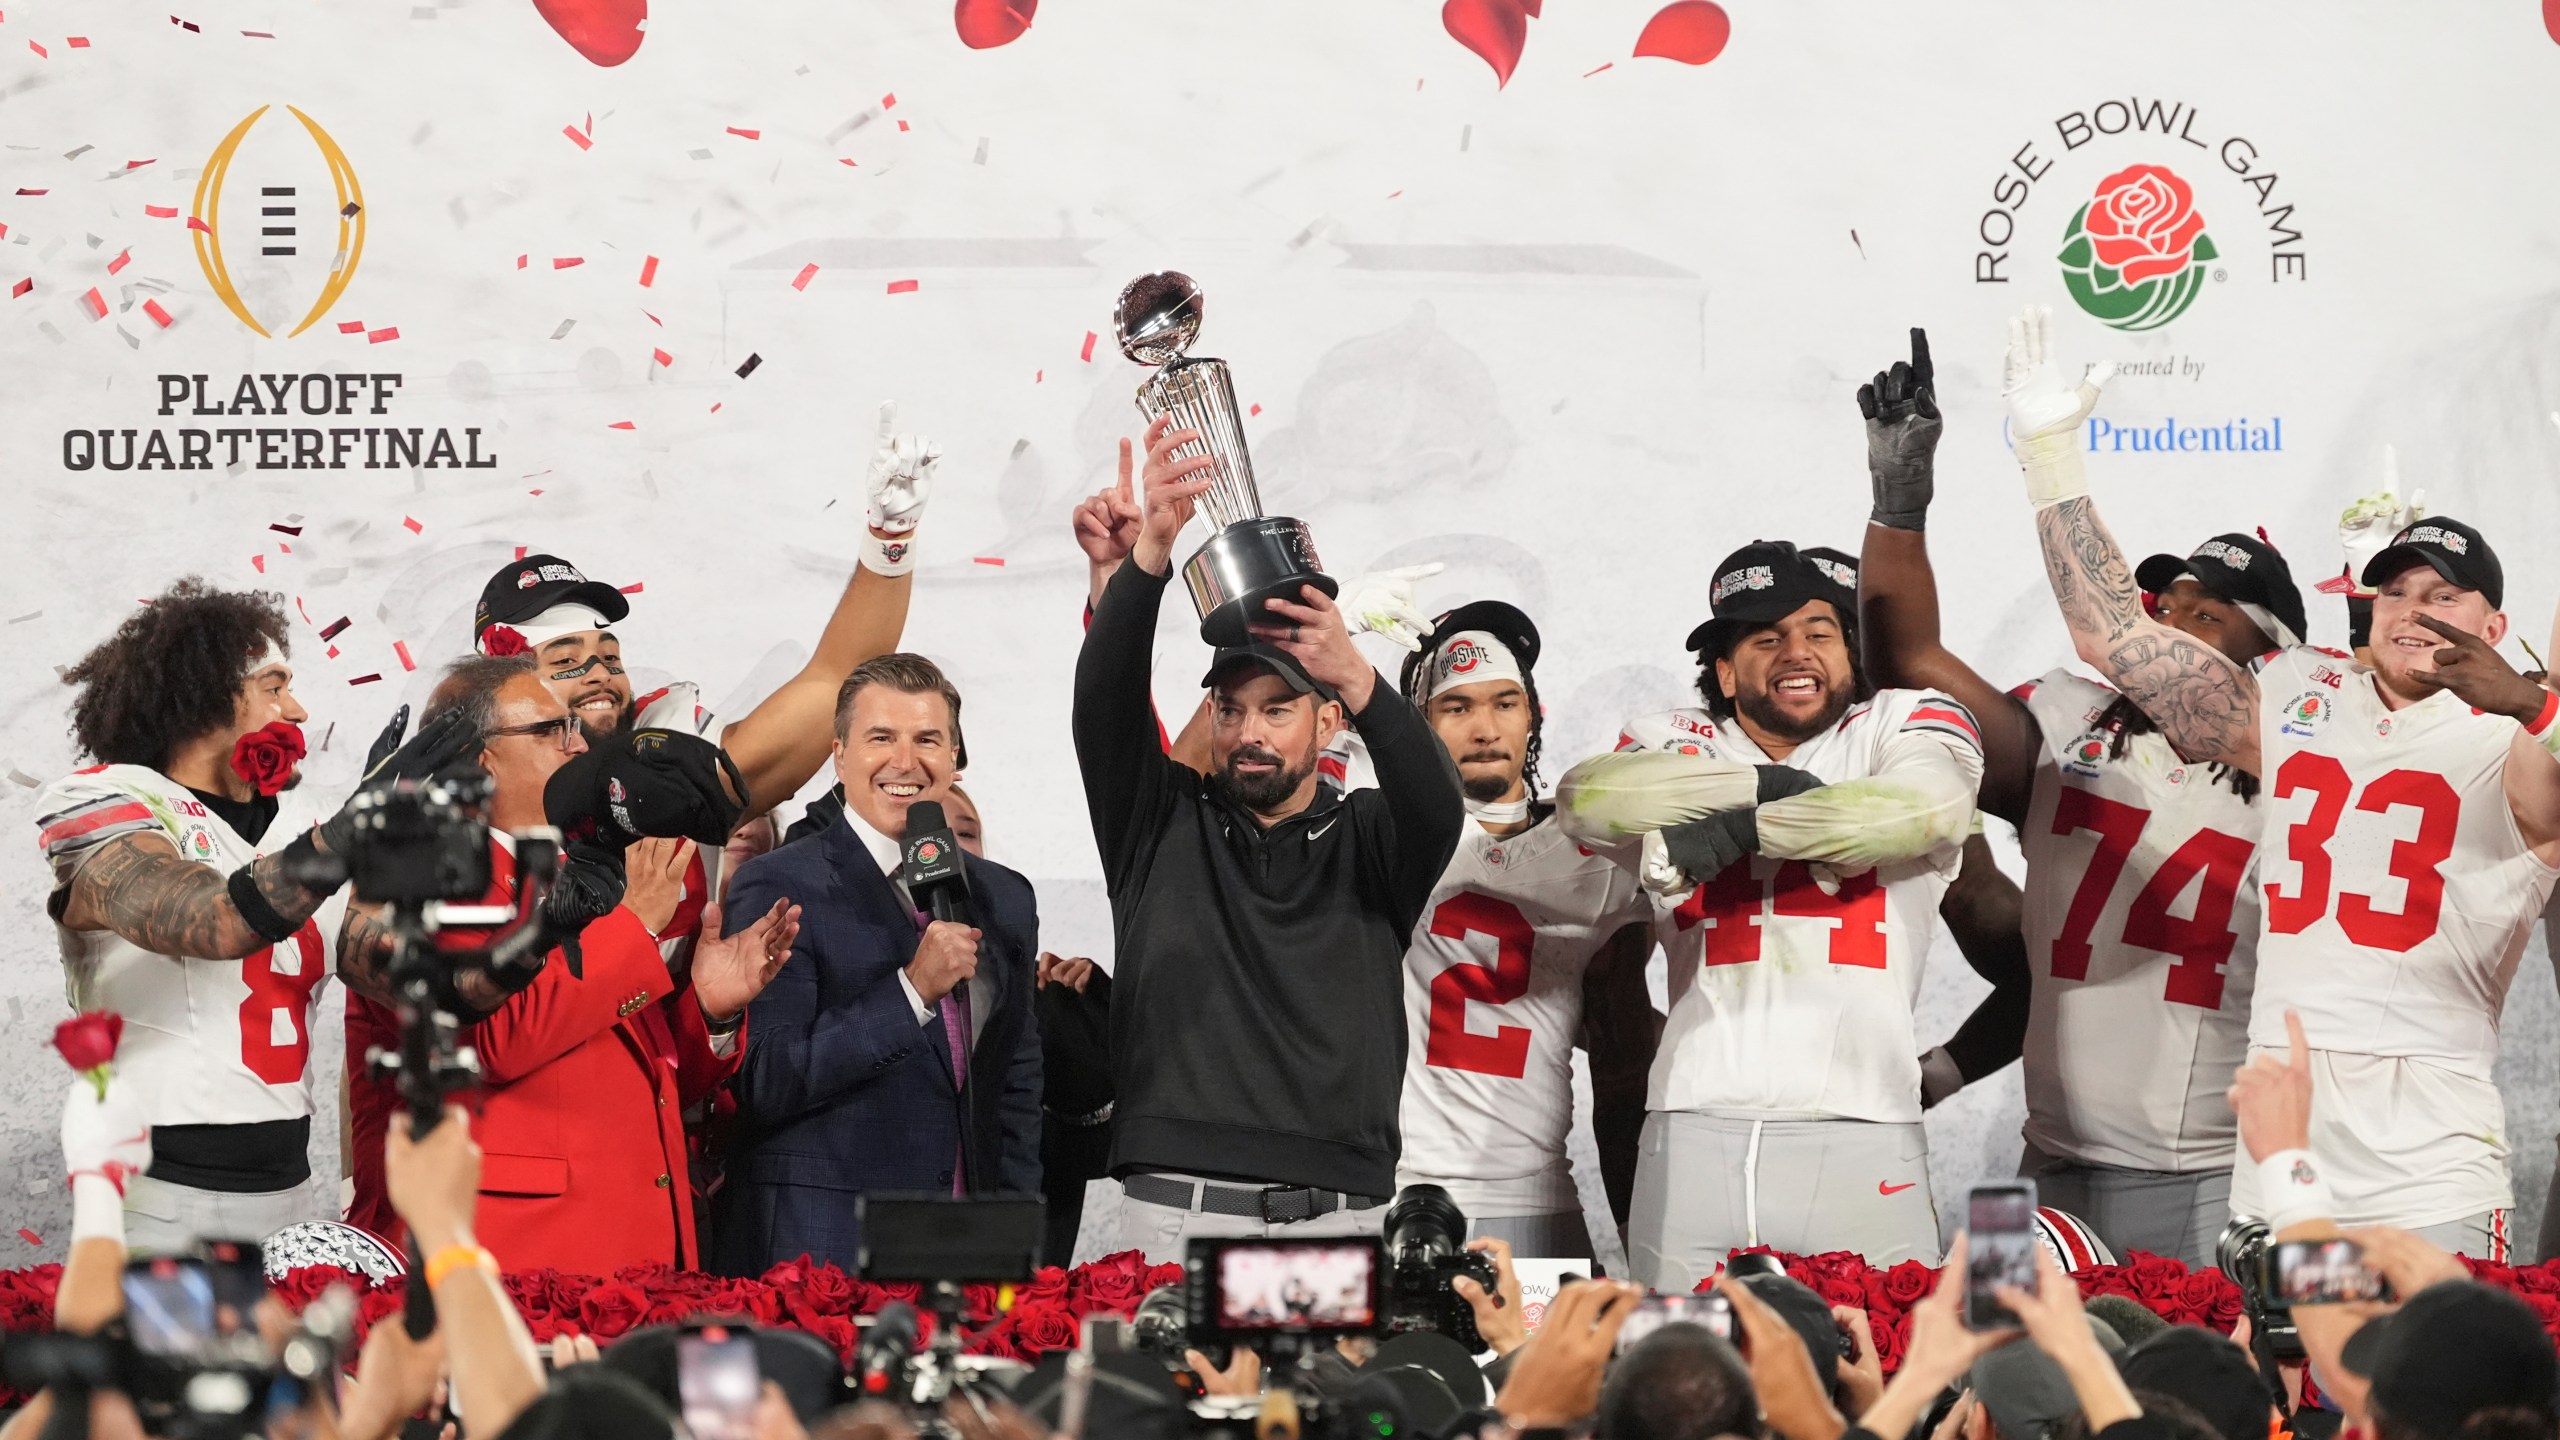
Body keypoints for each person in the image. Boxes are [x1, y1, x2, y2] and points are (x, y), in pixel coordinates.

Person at [2003, 304, 2560, 1255]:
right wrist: (2051, 457)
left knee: (2434, 1392)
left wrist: (2532, 706)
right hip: (2285, 1127)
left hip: (2429, 1139)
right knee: (2292, 1395)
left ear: (2497, 624)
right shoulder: (2300, 693)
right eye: (2394, 591)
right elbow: (2117, 640)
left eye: (2443, 595)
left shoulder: (2515, 731)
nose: (2413, 611)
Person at [1854, 328, 2301, 1267]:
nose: (2165, 624)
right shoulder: (2069, 719)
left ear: (2274, 655)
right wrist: (1900, 505)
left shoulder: (2308, 760)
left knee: (2191, 1406)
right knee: (2009, 1401)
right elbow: (1909, 667)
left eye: (2203, 613)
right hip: (2045, 1159)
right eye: (2160, 606)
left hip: (2210, 1171)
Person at [1074, 415, 1463, 1260]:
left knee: (1327, 1401)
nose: (1249, 729)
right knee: (1169, 1399)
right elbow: (1104, 708)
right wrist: (1146, 563)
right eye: (1231, 707)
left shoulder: (1370, 837)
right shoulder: (1159, 822)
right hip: (1175, 1212)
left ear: (1328, 721)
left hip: (1338, 1216)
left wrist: (1357, 671)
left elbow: (1437, 804)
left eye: (1277, 708)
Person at [1558, 538, 1983, 1282]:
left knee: (1886, 1374)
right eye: (1766, 637)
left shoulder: (1903, 720)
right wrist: (1770, 789)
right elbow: (1590, 802)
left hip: (1865, 1116)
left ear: (1849, 653)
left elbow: (1928, 809)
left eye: (1819, 632)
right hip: (1693, 1120)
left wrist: (1738, 828)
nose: (1797, 650)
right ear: (1725, 672)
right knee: (1683, 1378)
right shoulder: (1673, 738)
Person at [36, 577, 474, 1252]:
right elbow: (212, 920)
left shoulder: (301, 825)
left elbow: (433, 990)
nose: (296, 709)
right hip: (165, 1191)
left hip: (291, 1189)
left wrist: (567, 896)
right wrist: (346, 837)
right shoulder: (113, 800)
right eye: (274, 685)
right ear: (206, 696)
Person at [337, 655, 798, 1274]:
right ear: (477, 756)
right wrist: (633, 927)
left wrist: (710, 1009)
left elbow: (633, 1083)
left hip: (627, 1256)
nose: (579, 742)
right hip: (506, 1261)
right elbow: (492, 1040)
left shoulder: (574, 870)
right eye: (553, 730)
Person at [467, 401, 937, 967]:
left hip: (675, 1045)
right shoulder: (452, 804)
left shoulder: (662, 747)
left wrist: (891, 538)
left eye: (609, 655)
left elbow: (836, 681)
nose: (599, 672)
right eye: (565, 657)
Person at [715, 653, 1042, 1274]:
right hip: (822, 1244)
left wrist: (1016, 1224)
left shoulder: (1005, 896)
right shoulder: (778, 883)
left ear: (953, 757)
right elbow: (764, 1079)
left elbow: (1016, 1081)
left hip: (966, 1247)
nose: (905, 761)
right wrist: (911, 992)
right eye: (881, 738)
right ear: (840, 756)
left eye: (927, 740)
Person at [1388, 601, 1655, 1259]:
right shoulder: (1379, 828)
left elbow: (1624, 1062)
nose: (1484, 727)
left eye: (1505, 703)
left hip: (1536, 1200)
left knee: (1554, 1363)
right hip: (1392, 1198)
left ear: (1532, 714)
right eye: (1457, 708)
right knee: (1392, 1365)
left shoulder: (1600, 848)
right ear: (1418, 724)